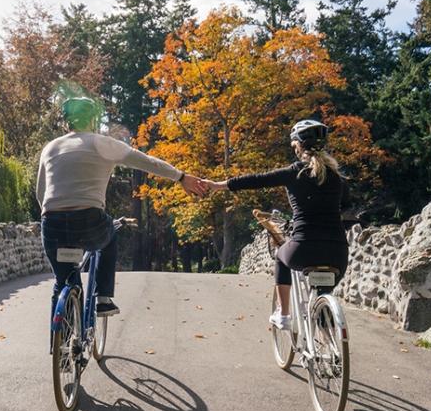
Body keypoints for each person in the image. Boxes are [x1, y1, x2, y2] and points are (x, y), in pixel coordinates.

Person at [37, 97, 208, 316]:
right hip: (89, 220)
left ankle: (61, 345)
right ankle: (103, 299)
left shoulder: (50, 148)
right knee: (110, 235)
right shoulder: (103, 144)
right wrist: (181, 177)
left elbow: (40, 193)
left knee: (63, 282)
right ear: (92, 120)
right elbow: (148, 162)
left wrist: (53, 214)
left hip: (51, 223)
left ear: (66, 121)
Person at [207, 119, 350, 329]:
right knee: (323, 293)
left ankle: (283, 315)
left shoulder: (294, 172)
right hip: (338, 253)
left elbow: (256, 180)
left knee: (282, 256)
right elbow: (345, 205)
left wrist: (217, 185)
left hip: (303, 248)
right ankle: (331, 345)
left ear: (298, 145)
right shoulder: (338, 178)